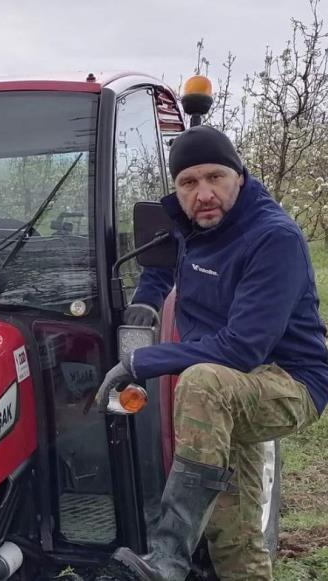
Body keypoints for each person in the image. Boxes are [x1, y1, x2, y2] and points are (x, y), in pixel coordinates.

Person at [95, 125, 328, 581]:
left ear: (239, 175)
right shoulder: (192, 223)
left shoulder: (273, 238)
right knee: (232, 535)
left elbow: (242, 348)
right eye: (188, 182)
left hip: (288, 380)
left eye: (215, 177)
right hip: (228, 387)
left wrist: (140, 361)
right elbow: (161, 261)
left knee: (202, 383)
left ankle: (168, 557)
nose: (203, 193)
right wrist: (147, 301)